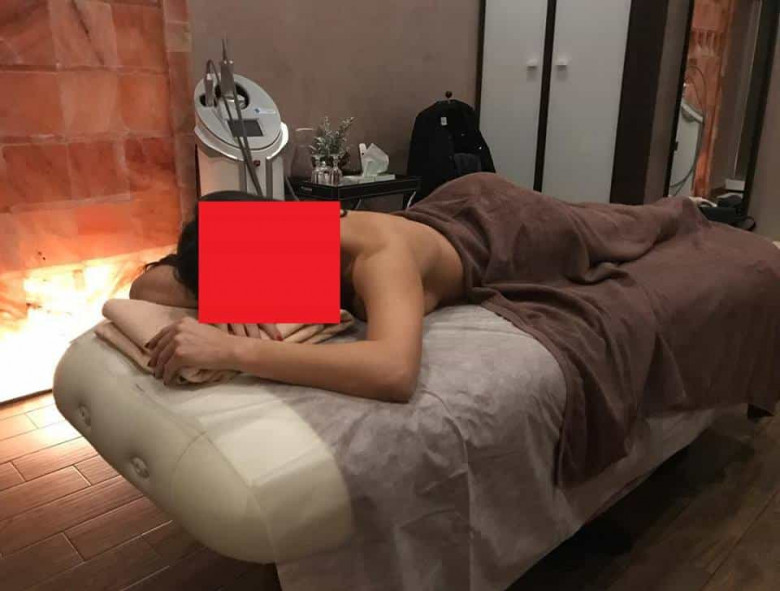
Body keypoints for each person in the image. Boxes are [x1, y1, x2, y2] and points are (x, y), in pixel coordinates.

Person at [130, 190, 466, 401]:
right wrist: (226, 294)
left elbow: (394, 372)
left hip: (483, 220)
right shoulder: (291, 245)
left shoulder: (381, 254)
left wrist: (230, 350)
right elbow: (145, 286)